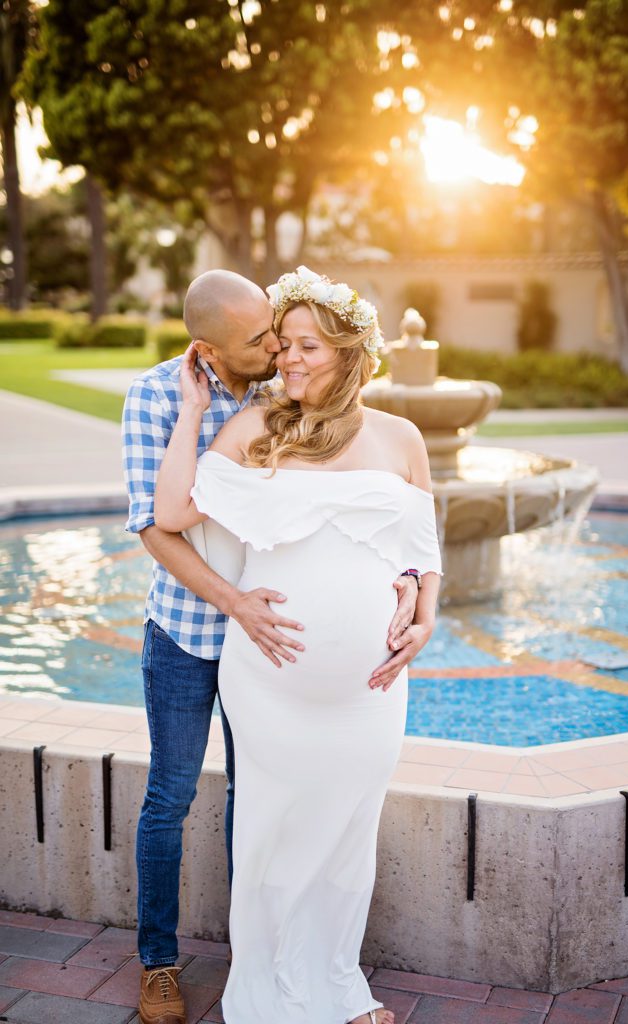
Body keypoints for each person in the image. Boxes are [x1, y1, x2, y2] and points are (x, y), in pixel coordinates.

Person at [122, 269, 420, 1024]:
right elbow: (160, 521)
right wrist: (235, 606)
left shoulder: (290, 403)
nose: (279, 352)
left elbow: (411, 535)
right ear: (211, 348)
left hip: (336, 682)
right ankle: (162, 962)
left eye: (290, 339)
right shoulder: (166, 398)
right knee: (173, 796)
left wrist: (420, 593)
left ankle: (281, 961)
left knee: (279, 813)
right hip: (195, 637)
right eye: (266, 341)